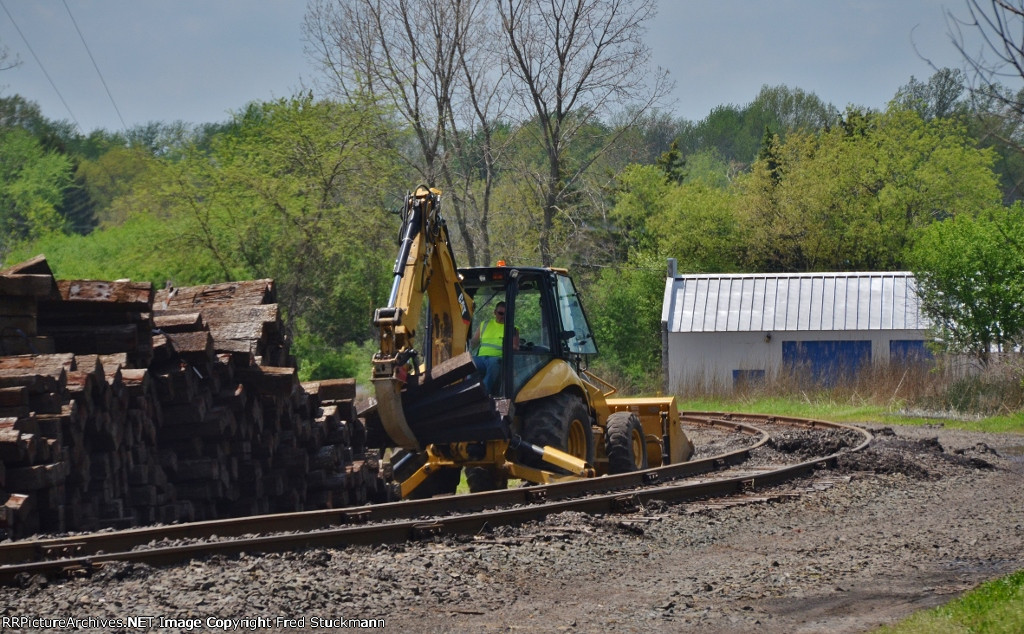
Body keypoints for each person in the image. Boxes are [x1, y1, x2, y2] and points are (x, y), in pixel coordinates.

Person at [471, 301, 519, 394]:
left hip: (498, 359)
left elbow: (516, 347)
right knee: (469, 364)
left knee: (494, 365)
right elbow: (474, 342)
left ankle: (482, 393)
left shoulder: (512, 328)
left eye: (505, 314)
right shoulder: (484, 324)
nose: (503, 316)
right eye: (500, 313)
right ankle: (467, 391)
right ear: (495, 312)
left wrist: (507, 344)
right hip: (481, 358)